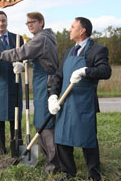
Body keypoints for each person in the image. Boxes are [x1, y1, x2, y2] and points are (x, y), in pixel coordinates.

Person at [0, 12, 60, 173]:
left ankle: (54, 164)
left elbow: (20, 52)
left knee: (45, 123)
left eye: (33, 22)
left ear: (41, 22)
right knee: (40, 122)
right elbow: (32, 55)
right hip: (40, 82)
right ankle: (50, 160)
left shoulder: (41, 38)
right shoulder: (44, 37)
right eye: (27, 23)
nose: (30, 25)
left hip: (45, 82)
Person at [48, 17, 112, 180]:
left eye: (72, 26)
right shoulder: (67, 52)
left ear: (82, 30)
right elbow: (58, 76)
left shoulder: (97, 50)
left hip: (84, 103)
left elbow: (105, 71)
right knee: (61, 138)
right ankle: (68, 172)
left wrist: (85, 71)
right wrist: (53, 96)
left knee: (87, 139)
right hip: (65, 102)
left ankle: (94, 174)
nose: (69, 29)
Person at [0, 11, 24, 155]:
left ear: (7, 21)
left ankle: (17, 148)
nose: (1, 24)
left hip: (14, 82)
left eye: (3, 20)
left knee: (15, 117)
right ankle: (0, 150)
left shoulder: (18, 38)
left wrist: (22, 65)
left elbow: (25, 56)